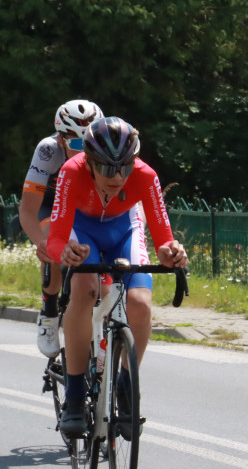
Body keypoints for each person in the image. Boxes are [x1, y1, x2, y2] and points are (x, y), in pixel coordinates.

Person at [48, 117, 188, 439]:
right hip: (84, 234)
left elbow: (163, 238)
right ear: (90, 163)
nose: (118, 177)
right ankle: (72, 397)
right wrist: (64, 253)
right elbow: (56, 237)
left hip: (124, 230)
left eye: (124, 167)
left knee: (139, 302)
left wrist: (172, 253)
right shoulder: (71, 172)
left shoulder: (145, 176)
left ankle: (126, 386)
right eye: (108, 169)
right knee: (84, 287)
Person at [19, 100, 104, 358]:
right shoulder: (48, 151)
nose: (84, 153)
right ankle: (49, 313)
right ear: (60, 138)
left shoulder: (105, 147)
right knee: (53, 244)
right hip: (49, 203)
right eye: (76, 145)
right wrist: (41, 243)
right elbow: (27, 211)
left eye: (88, 144)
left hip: (81, 206)